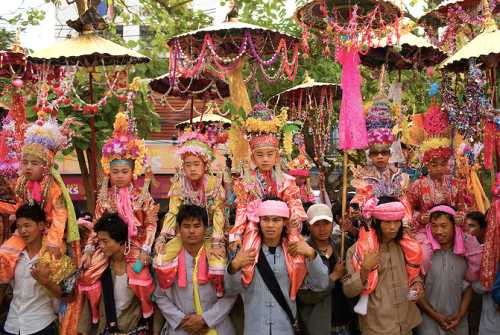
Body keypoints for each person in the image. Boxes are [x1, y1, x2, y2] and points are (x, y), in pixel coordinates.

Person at [78, 112, 159, 323]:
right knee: (86, 275)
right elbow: (96, 226)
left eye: (125, 171)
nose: (120, 176)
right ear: (109, 173)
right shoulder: (104, 197)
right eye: (115, 172)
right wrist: (88, 250)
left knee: (141, 277)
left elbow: (151, 223)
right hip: (108, 244)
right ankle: (96, 313)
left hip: (135, 243)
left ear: (133, 173)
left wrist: (145, 250)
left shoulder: (143, 195)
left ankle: (146, 310)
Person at [349, 77, 420, 315]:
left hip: (395, 223)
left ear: (390, 153)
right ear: (369, 154)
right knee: (368, 254)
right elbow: (359, 197)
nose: (380, 157)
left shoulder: (399, 175)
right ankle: (366, 295)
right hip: (372, 224)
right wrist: (357, 209)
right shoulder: (363, 175)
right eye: (375, 152)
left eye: (384, 152)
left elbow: (404, 201)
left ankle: (413, 282)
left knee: (415, 249)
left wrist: (407, 223)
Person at [229, 100, 307, 301]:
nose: (265, 159)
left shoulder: (287, 180)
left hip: (283, 225)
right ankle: (249, 294)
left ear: (277, 157)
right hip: (255, 226)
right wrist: (237, 234)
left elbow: (293, 202)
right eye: (260, 155)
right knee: (246, 256)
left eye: (269, 155)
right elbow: (241, 208)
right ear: (253, 158)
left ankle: (294, 293)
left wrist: (296, 217)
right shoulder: (246, 180)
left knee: (298, 256)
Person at [225, 197, 328, 335]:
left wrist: (311, 254)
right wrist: (234, 266)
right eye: (265, 219)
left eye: (276, 220)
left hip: (285, 329)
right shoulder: (246, 250)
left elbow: (320, 285)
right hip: (254, 329)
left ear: (285, 221)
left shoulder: (296, 253)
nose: (270, 225)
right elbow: (232, 290)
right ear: (259, 221)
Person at [407, 106, 482, 285]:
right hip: (426, 230)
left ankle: (464, 285)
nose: (439, 169)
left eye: (443, 163)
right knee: (423, 256)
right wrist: (420, 217)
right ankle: (420, 284)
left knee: (477, 256)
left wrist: (461, 219)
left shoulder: (455, 183)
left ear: (449, 162)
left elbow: (463, 208)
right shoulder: (418, 185)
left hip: (454, 229)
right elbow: (408, 212)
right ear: (427, 163)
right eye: (434, 164)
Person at [153, 130, 226, 296]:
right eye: (188, 164)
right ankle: (169, 293)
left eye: (196, 163)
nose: (192, 169)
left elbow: (218, 214)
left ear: (205, 164)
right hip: (184, 235)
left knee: (219, 264)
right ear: (183, 166)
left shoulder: (214, 184)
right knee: (161, 260)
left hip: (209, 235)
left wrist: (216, 243)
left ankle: (218, 297)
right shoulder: (179, 185)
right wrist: (161, 239)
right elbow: (172, 213)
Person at [343, 196, 424, 335]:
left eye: (397, 221)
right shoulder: (359, 250)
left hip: (406, 325)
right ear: (376, 220)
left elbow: (414, 273)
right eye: (387, 222)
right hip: (376, 327)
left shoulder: (405, 245)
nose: (393, 227)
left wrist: (418, 283)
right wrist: (365, 269)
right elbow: (348, 290)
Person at [155, 204, 237, 334]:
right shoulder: (169, 260)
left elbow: (231, 293)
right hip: (182, 329)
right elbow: (160, 295)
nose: (192, 231)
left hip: (216, 329)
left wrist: (205, 319)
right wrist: (182, 320)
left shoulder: (218, 258)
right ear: (178, 228)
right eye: (186, 226)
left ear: (205, 228)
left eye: (197, 226)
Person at [1, 204, 76, 335]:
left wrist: (44, 281)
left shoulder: (55, 256)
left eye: (27, 225)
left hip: (41, 325)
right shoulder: (12, 255)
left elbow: (70, 296)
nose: (22, 231)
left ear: (41, 226)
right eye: (19, 227)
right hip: (12, 325)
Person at [77, 214, 150, 335]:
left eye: (105, 241)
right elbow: (90, 302)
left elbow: (153, 300)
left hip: (135, 329)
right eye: (99, 241)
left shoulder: (138, 267)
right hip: (107, 330)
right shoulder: (101, 269)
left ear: (121, 239)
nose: (101, 246)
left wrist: (156, 331)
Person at [417, 205, 478, 335]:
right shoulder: (425, 255)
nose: (438, 231)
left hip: (458, 325)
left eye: (444, 226)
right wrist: (434, 315)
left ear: (454, 226)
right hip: (428, 325)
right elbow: (416, 287)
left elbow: (469, 287)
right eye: (434, 225)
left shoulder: (465, 255)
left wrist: (461, 313)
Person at [297, 204, 357, 335]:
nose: (322, 228)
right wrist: (334, 276)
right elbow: (304, 296)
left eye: (326, 223)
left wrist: (353, 231)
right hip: (318, 329)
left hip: (345, 327)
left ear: (333, 223)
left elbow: (362, 244)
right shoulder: (303, 252)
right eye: (316, 224)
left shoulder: (340, 244)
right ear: (308, 226)